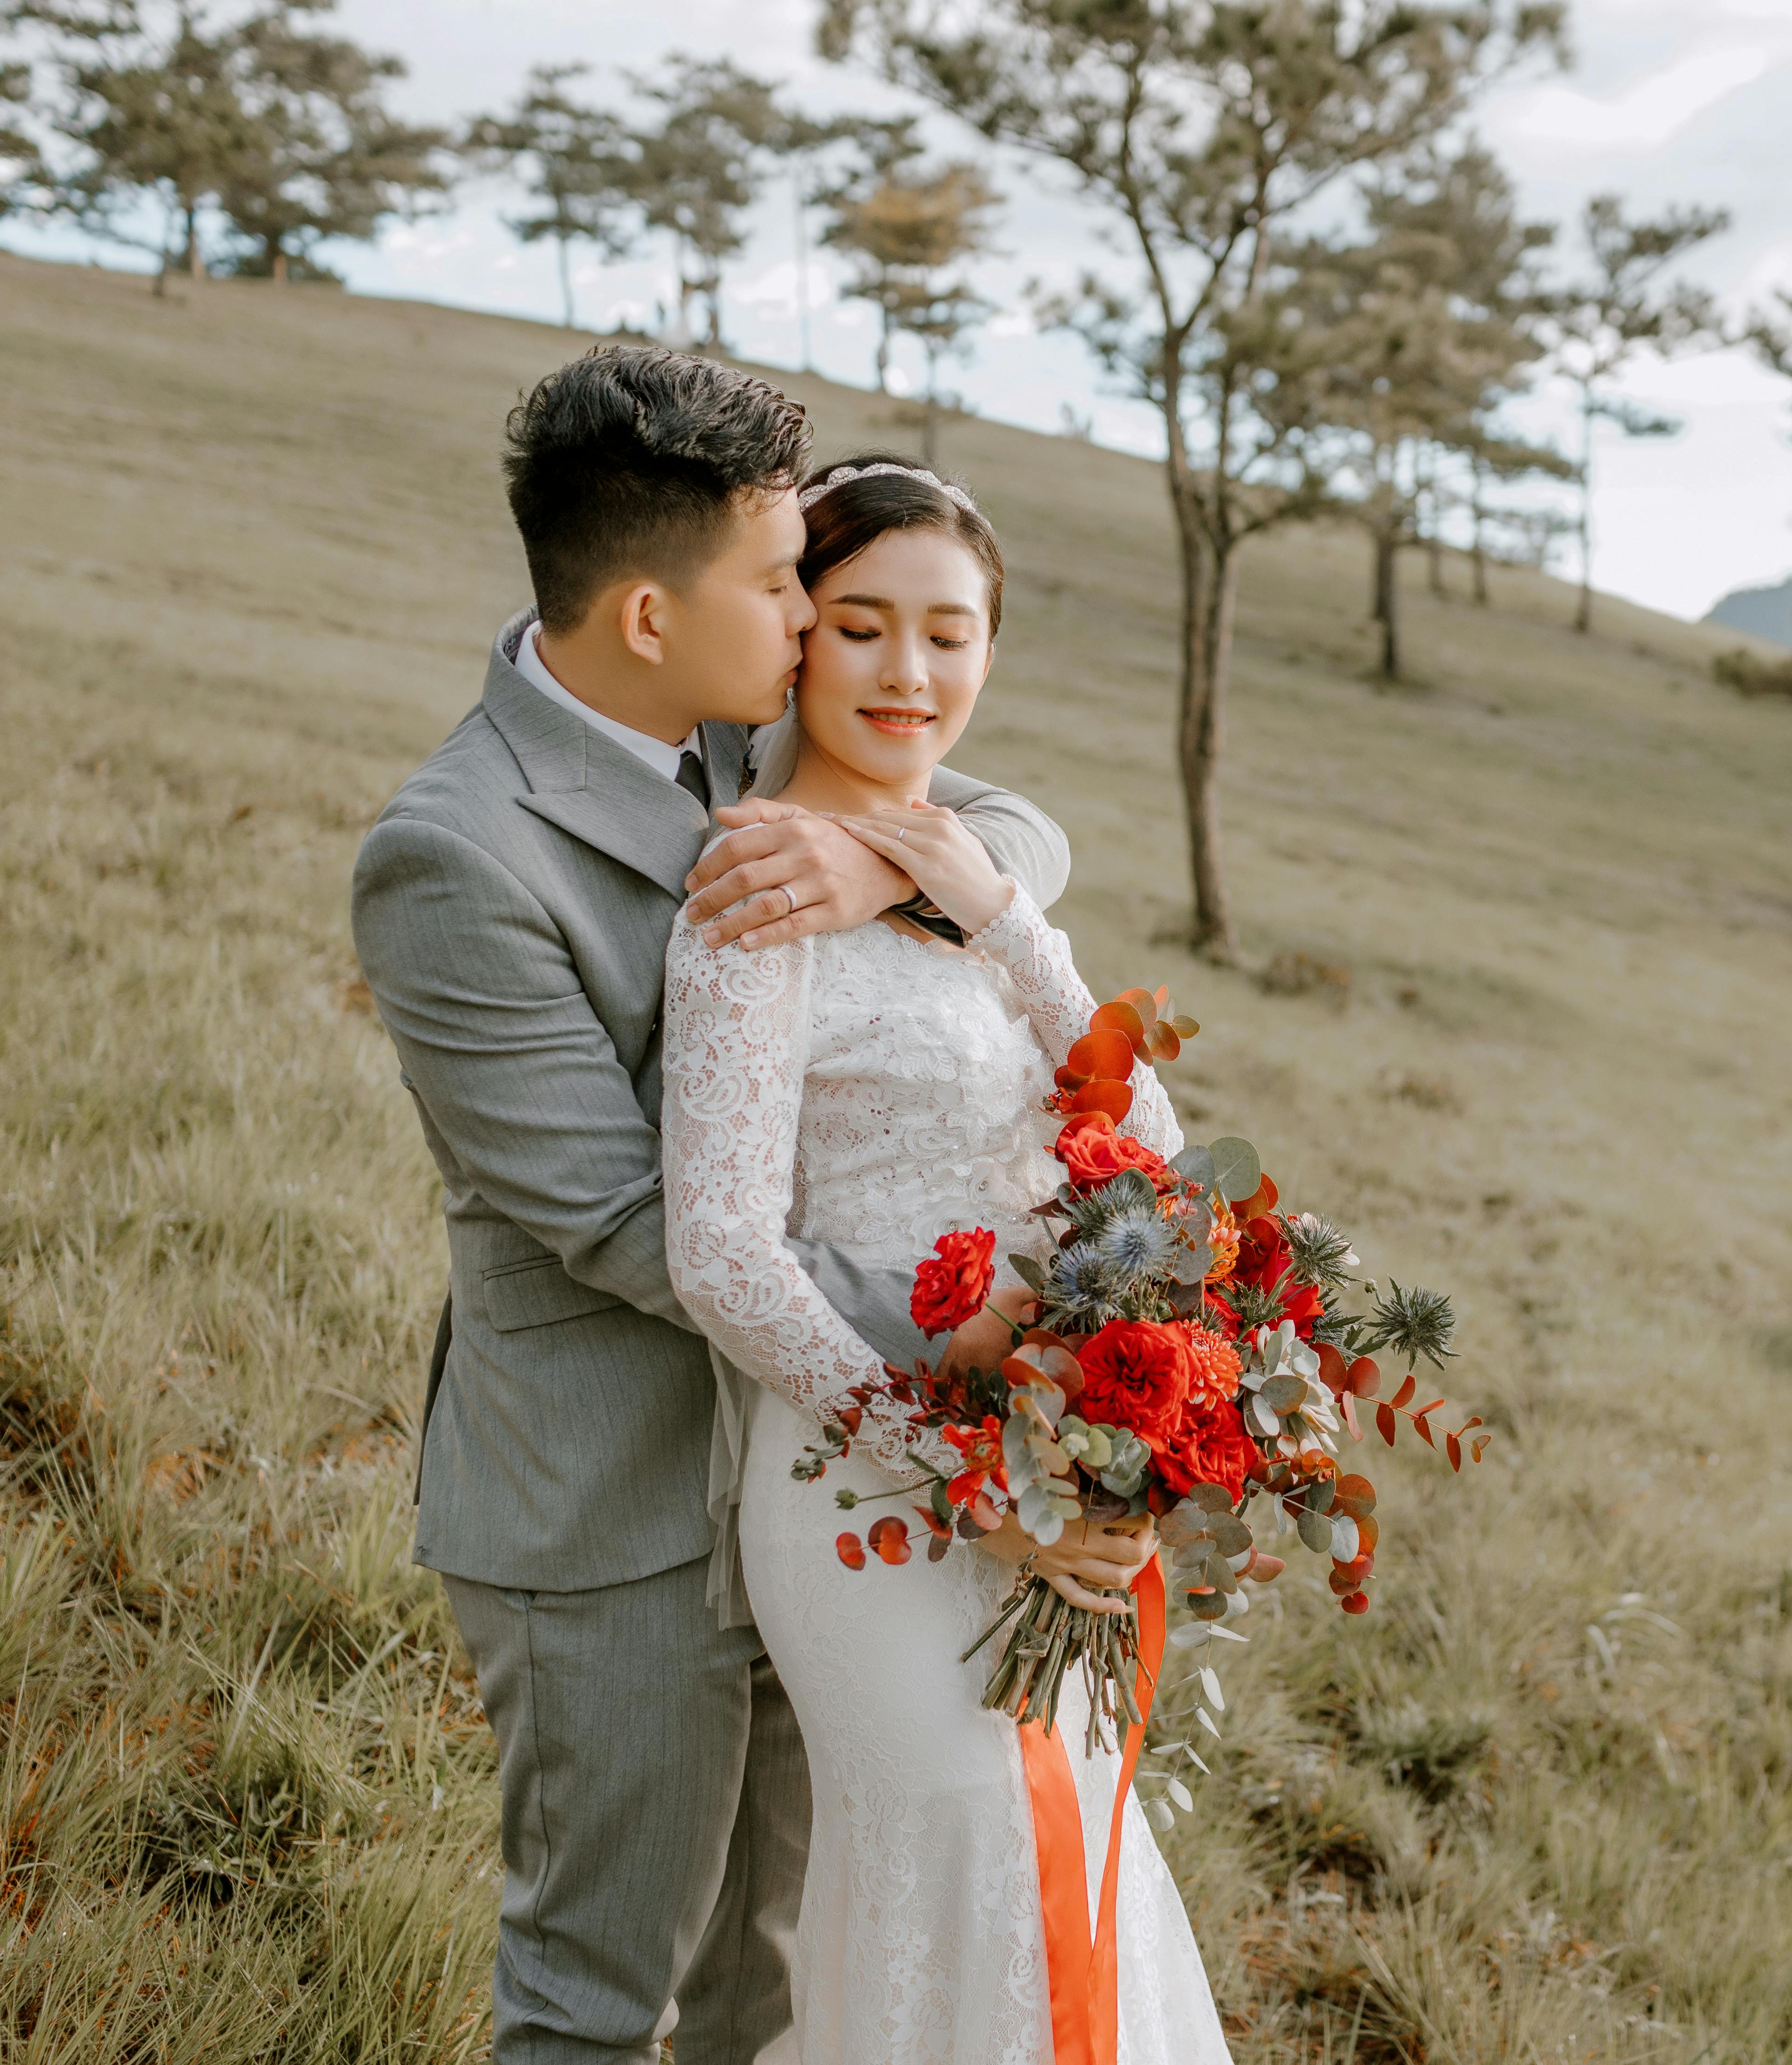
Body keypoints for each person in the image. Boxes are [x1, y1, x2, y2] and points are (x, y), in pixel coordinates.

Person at [350, 351, 1073, 2065]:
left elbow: (1017, 830)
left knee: (782, 1973)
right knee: (602, 1997)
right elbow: (620, 1216)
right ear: (657, 616)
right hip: (617, 1505)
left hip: (814, 1488)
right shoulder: (454, 857)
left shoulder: (742, 721)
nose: (818, 622)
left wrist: (878, 858)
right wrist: (960, 1325)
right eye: (781, 582)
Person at [661, 455, 1233, 2063]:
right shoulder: (753, 891)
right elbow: (719, 1254)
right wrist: (972, 1480)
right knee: (968, 1854)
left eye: (951, 635)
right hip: (870, 1491)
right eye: (861, 627)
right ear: (796, 640)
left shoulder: (971, 881)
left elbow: (1158, 1150)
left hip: (1037, 1455)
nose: (910, 675)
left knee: (1071, 1863)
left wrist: (998, 912)